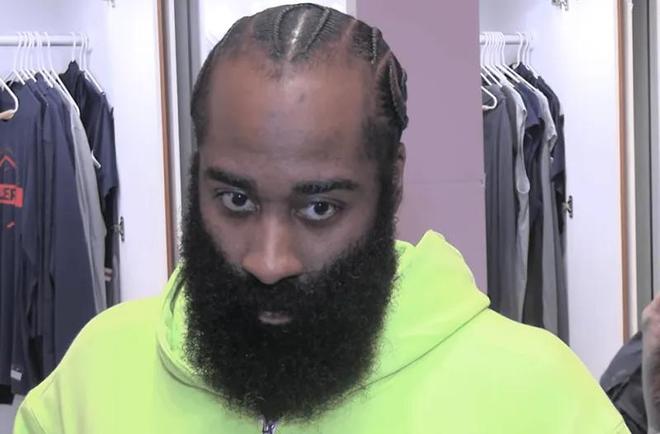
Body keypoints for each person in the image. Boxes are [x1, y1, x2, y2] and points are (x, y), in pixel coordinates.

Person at [13, 4, 628, 433]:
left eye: (319, 208)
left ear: (393, 183)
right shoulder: (92, 378)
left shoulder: (539, 400)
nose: (268, 261)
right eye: (235, 200)